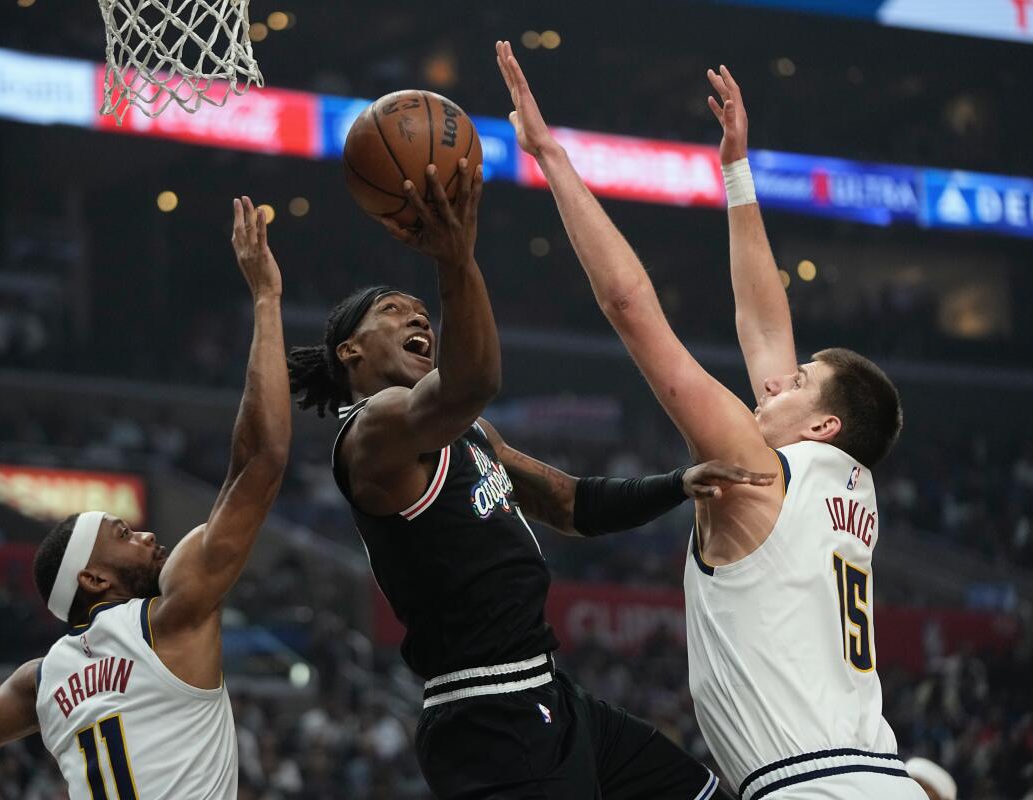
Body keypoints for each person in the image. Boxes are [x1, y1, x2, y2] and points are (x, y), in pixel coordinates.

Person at [497, 40, 924, 800]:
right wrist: (736, 170)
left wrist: (551, 158)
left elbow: (633, 311)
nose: (772, 382)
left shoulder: (755, 474)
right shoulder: (849, 486)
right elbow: (765, 328)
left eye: (796, 383)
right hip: (872, 776)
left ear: (821, 423)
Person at [287, 155, 773, 799]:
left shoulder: (472, 435)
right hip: (487, 715)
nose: (418, 319)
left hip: (548, 694)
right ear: (350, 350)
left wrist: (677, 483)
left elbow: (570, 504)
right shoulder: (371, 432)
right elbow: (474, 381)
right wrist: (452, 259)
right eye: (394, 310)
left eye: (422, 314)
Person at [0, 197, 291, 800]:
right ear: (93, 578)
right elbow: (262, 460)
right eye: (122, 534)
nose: (147, 535)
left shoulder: (40, 681)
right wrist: (266, 299)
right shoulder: (170, 617)